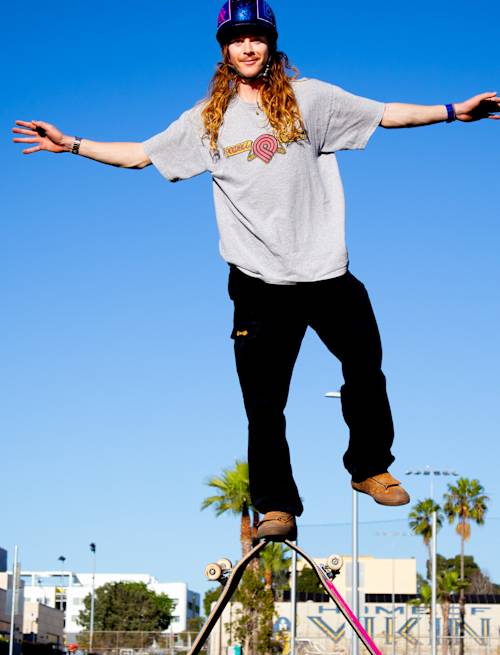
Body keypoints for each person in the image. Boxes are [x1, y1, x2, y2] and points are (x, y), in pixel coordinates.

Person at [12, 1, 499, 543]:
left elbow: (386, 113)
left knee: (366, 368)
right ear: (224, 49)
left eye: (256, 37)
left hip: (327, 273)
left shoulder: (311, 99)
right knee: (264, 406)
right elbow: (140, 155)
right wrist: (73, 144)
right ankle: (276, 507)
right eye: (237, 39)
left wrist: (455, 111)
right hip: (258, 282)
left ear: (270, 44)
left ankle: (369, 468)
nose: (247, 47)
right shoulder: (207, 121)